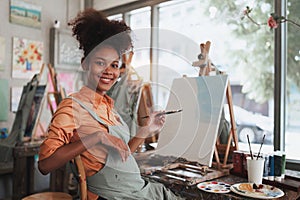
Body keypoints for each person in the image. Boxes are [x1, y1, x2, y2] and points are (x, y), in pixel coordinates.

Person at [38, 8, 184, 200]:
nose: (109, 71)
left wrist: (146, 130)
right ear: (85, 64)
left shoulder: (107, 106)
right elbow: (45, 165)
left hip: (139, 191)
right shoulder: (72, 107)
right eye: (100, 63)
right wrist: (96, 137)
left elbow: (121, 156)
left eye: (114, 65)